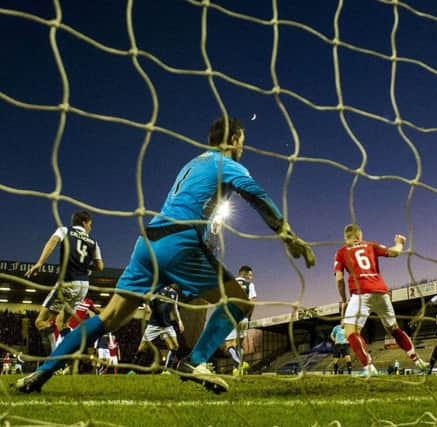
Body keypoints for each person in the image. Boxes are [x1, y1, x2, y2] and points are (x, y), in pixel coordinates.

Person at [16, 116, 315, 394]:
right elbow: (257, 196)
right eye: (242, 140)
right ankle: (193, 361)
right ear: (234, 139)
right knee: (238, 301)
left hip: (147, 245)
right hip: (178, 244)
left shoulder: (192, 164)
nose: (243, 147)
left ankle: (42, 371)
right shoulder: (228, 163)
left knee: (107, 318)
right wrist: (288, 237)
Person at [334, 224, 428, 376]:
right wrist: (400, 242)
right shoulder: (371, 245)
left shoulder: (341, 252)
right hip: (381, 292)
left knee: (351, 332)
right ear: (359, 235)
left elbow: (339, 279)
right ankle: (419, 361)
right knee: (394, 328)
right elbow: (395, 252)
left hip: (360, 293)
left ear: (346, 237)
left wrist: (344, 299)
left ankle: (369, 367)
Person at [24, 211, 103, 354]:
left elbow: (53, 241)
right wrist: (84, 265)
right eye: (90, 224)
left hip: (67, 283)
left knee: (40, 322)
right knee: (62, 323)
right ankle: (72, 354)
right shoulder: (94, 242)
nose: (90, 228)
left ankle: (54, 359)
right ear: (84, 222)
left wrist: (40, 263)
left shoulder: (65, 230)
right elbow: (100, 266)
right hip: (83, 286)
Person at [129, 283, 185, 374]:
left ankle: (167, 370)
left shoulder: (174, 294)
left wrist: (179, 321)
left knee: (175, 347)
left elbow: (175, 309)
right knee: (141, 349)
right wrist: (146, 306)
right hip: (154, 325)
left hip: (167, 326)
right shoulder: (158, 289)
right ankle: (133, 370)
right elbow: (145, 299)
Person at [224, 266, 255, 376]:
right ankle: (237, 369)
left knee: (229, 345)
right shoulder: (249, 285)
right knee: (239, 345)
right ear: (245, 274)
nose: (251, 278)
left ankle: (238, 364)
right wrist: (248, 317)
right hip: (244, 318)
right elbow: (252, 301)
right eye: (250, 275)